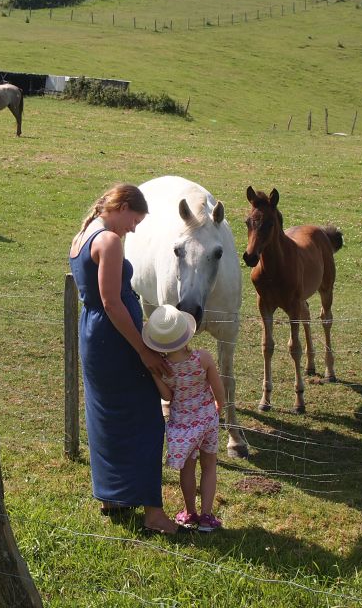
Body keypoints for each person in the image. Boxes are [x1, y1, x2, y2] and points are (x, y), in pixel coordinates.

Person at [68, 183, 177, 534]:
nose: (134, 228)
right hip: (116, 341)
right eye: (135, 220)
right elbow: (112, 302)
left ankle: (112, 496)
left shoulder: (84, 233)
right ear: (123, 206)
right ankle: (154, 513)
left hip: (95, 336)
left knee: (107, 417)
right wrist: (144, 351)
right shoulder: (109, 241)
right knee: (147, 419)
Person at [143, 304, 226, 532]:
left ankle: (190, 513)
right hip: (207, 419)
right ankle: (207, 517)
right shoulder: (203, 358)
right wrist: (219, 406)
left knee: (187, 469)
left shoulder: (163, 369)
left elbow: (167, 396)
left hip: (182, 424)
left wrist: (154, 375)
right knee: (209, 466)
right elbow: (219, 390)